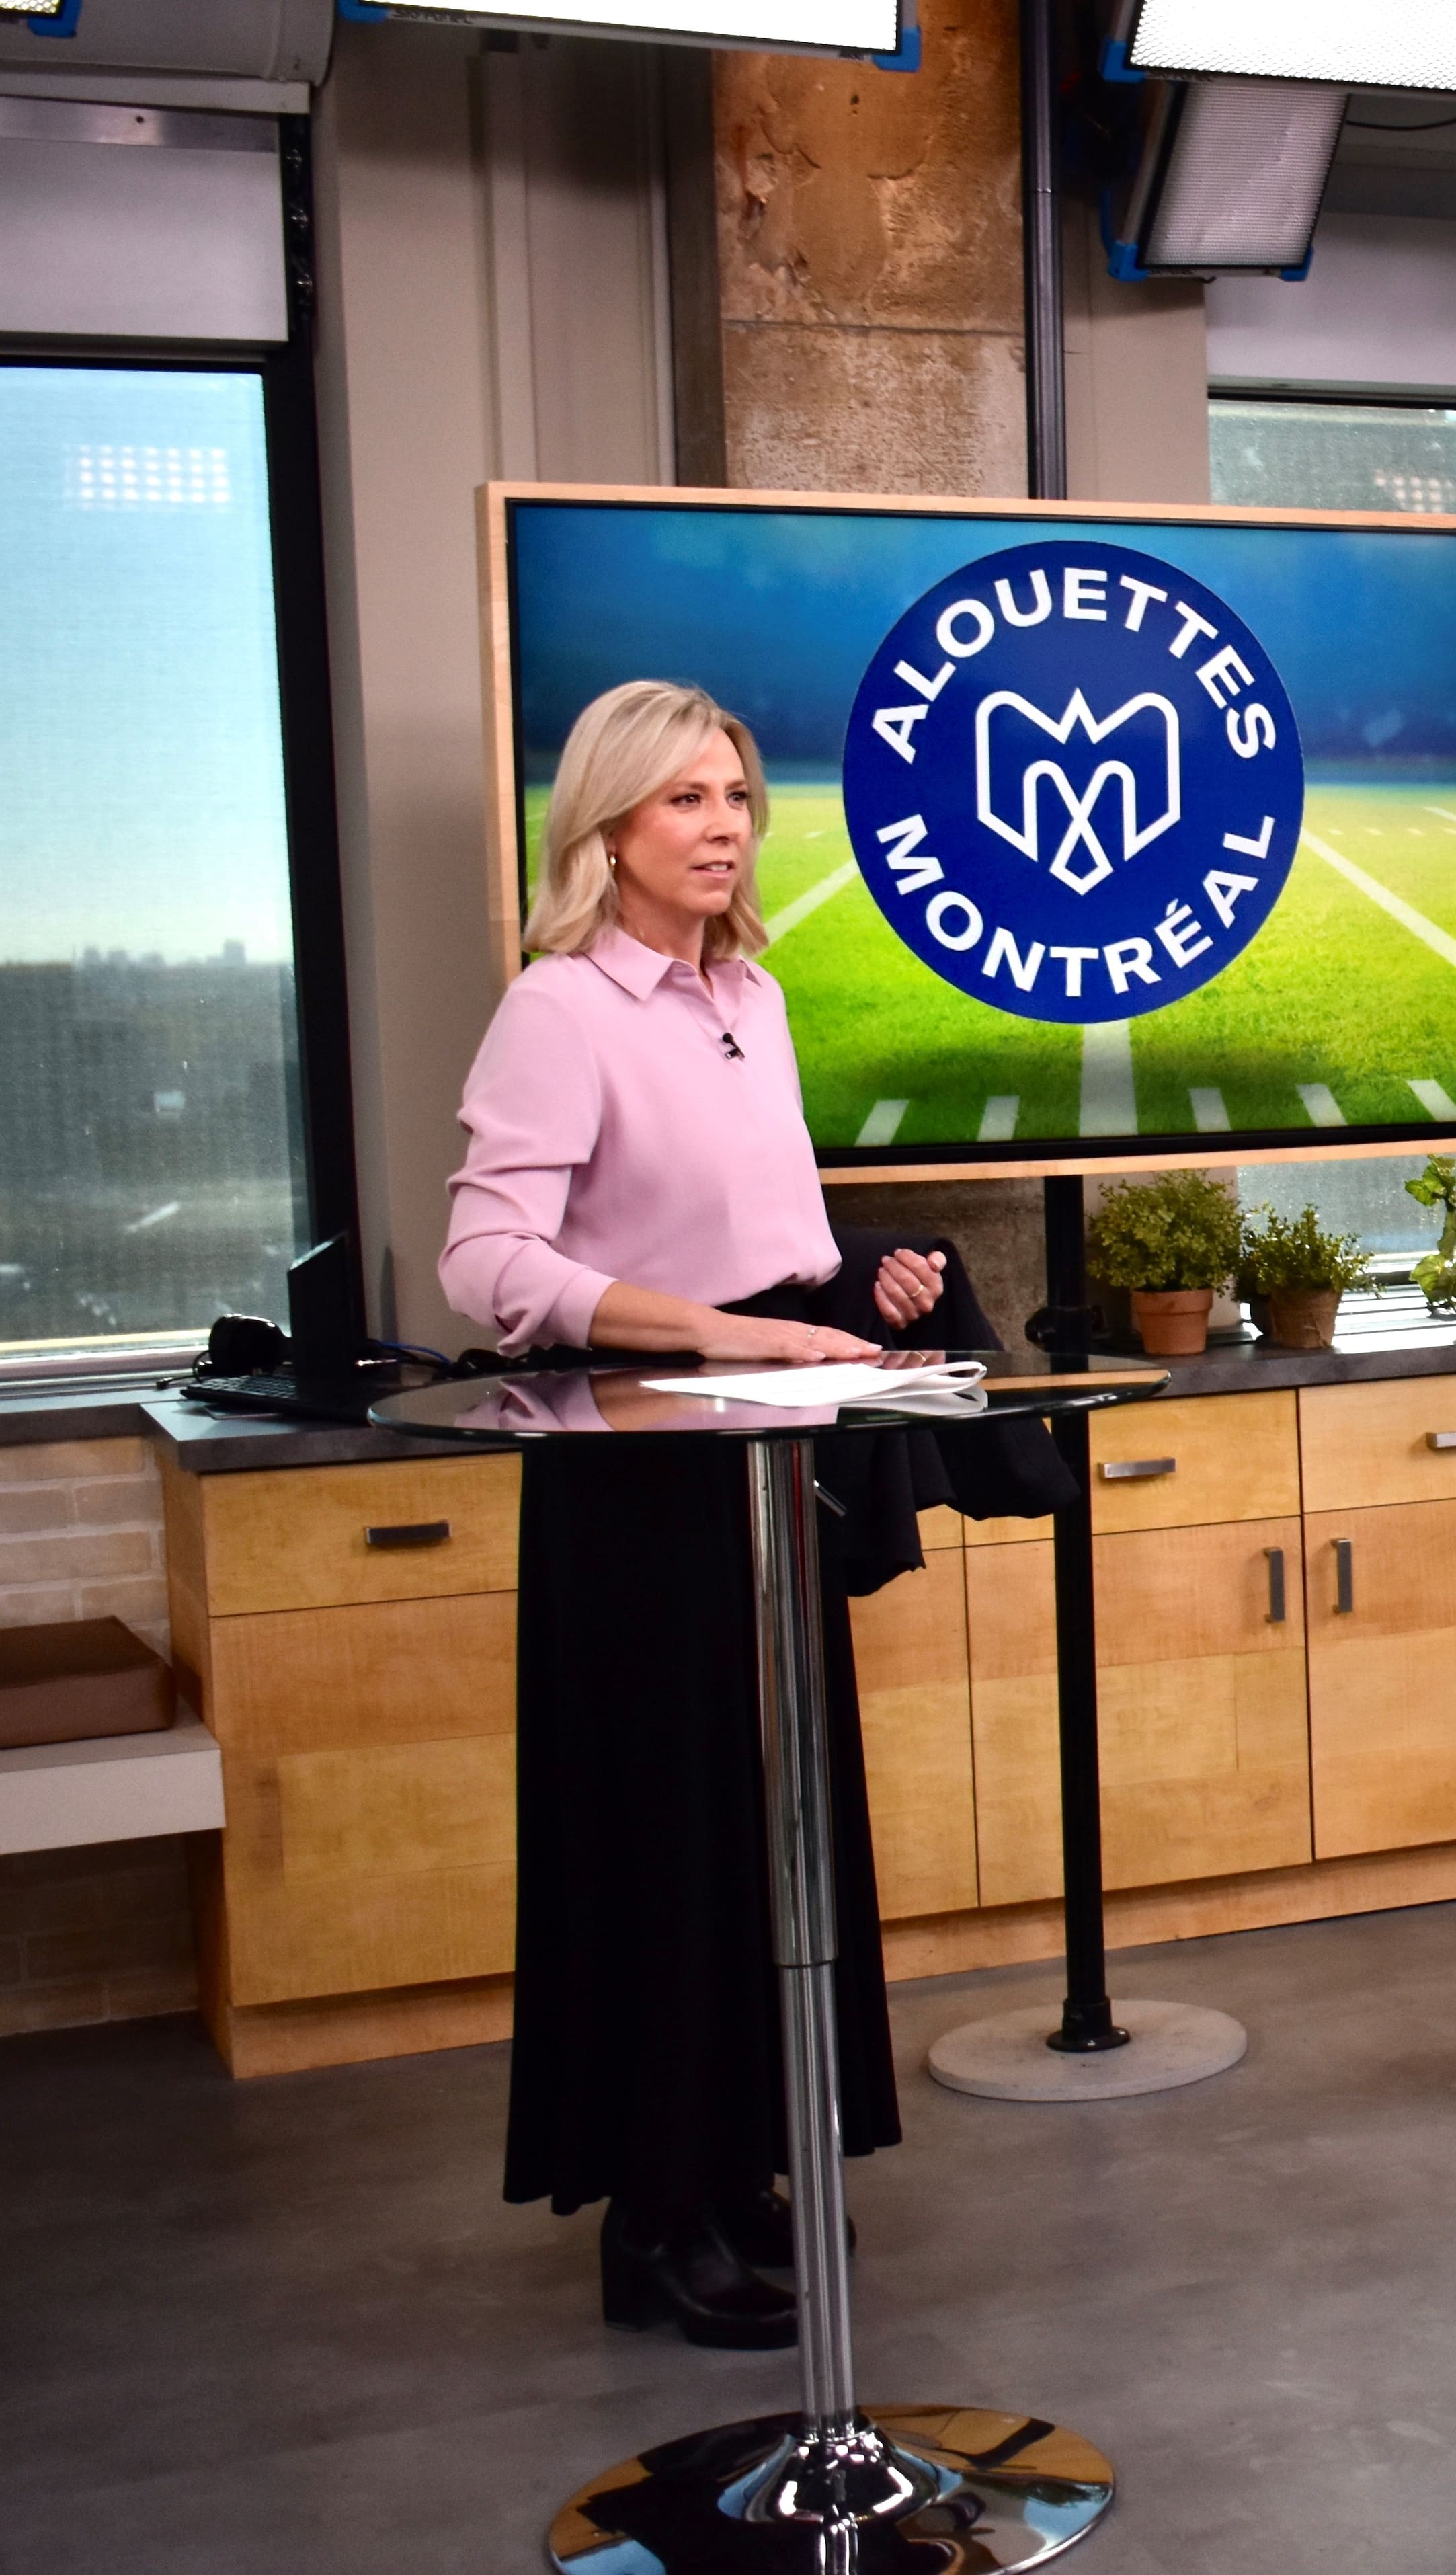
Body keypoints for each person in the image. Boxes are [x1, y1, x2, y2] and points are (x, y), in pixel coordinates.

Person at [441, 680, 1058, 2348]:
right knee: (670, 1842)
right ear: (605, 828)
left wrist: (857, 1281)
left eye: (735, 799)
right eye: (684, 800)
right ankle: (657, 2218)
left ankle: (744, 2159)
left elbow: (750, 1243)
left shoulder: (754, 997)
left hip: (769, 1478)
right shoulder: (559, 1009)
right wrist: (720, 1333)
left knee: (774, 1831)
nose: (722, 828)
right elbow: (489, 1263)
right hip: (639, 1491)